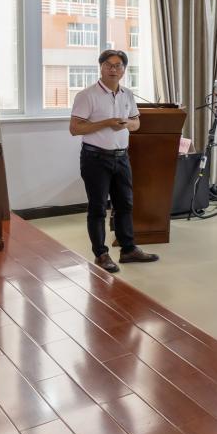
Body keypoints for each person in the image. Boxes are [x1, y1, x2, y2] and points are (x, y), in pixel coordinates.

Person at [69, 49, 159, 273]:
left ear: (124, 70)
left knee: (125, 205)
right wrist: (107, 122)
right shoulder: (86, 95)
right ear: (101, 67)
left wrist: (126, 123)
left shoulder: (127, 94)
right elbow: (75, 128)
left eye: (118, 65)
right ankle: (101, 254)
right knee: (98, 208)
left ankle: (128, 249)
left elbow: (136, 124)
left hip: (121, 157)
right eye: (108, 65)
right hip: (95, 158)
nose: (113, 69)